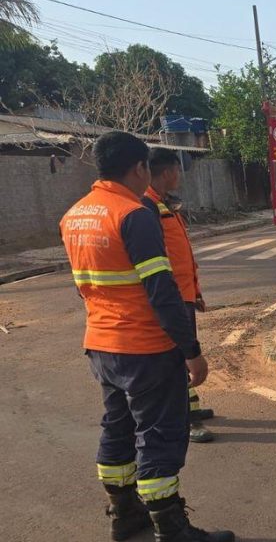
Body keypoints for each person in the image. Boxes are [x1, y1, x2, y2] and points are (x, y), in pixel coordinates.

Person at [60, 131, 233, 542]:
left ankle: (124, 515)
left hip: (101, 345)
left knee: (116, 428)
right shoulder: (133, 214)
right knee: (158, 435)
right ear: (139, 168)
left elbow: (86, 286)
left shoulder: (75, 215)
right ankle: (171, 529)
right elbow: (161, 291)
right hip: (146, 348)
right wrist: (191, 350)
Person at [142, 148, 215, 445]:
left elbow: (181, 255)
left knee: (182, 355)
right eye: (177, 170)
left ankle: (190, 407)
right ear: (167, 171)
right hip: (170, 298)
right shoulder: (146, 206)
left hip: (183, 294)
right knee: (177, 358)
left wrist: (194, 292)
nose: (179, 176)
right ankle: (185, 419)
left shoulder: (163, 203)